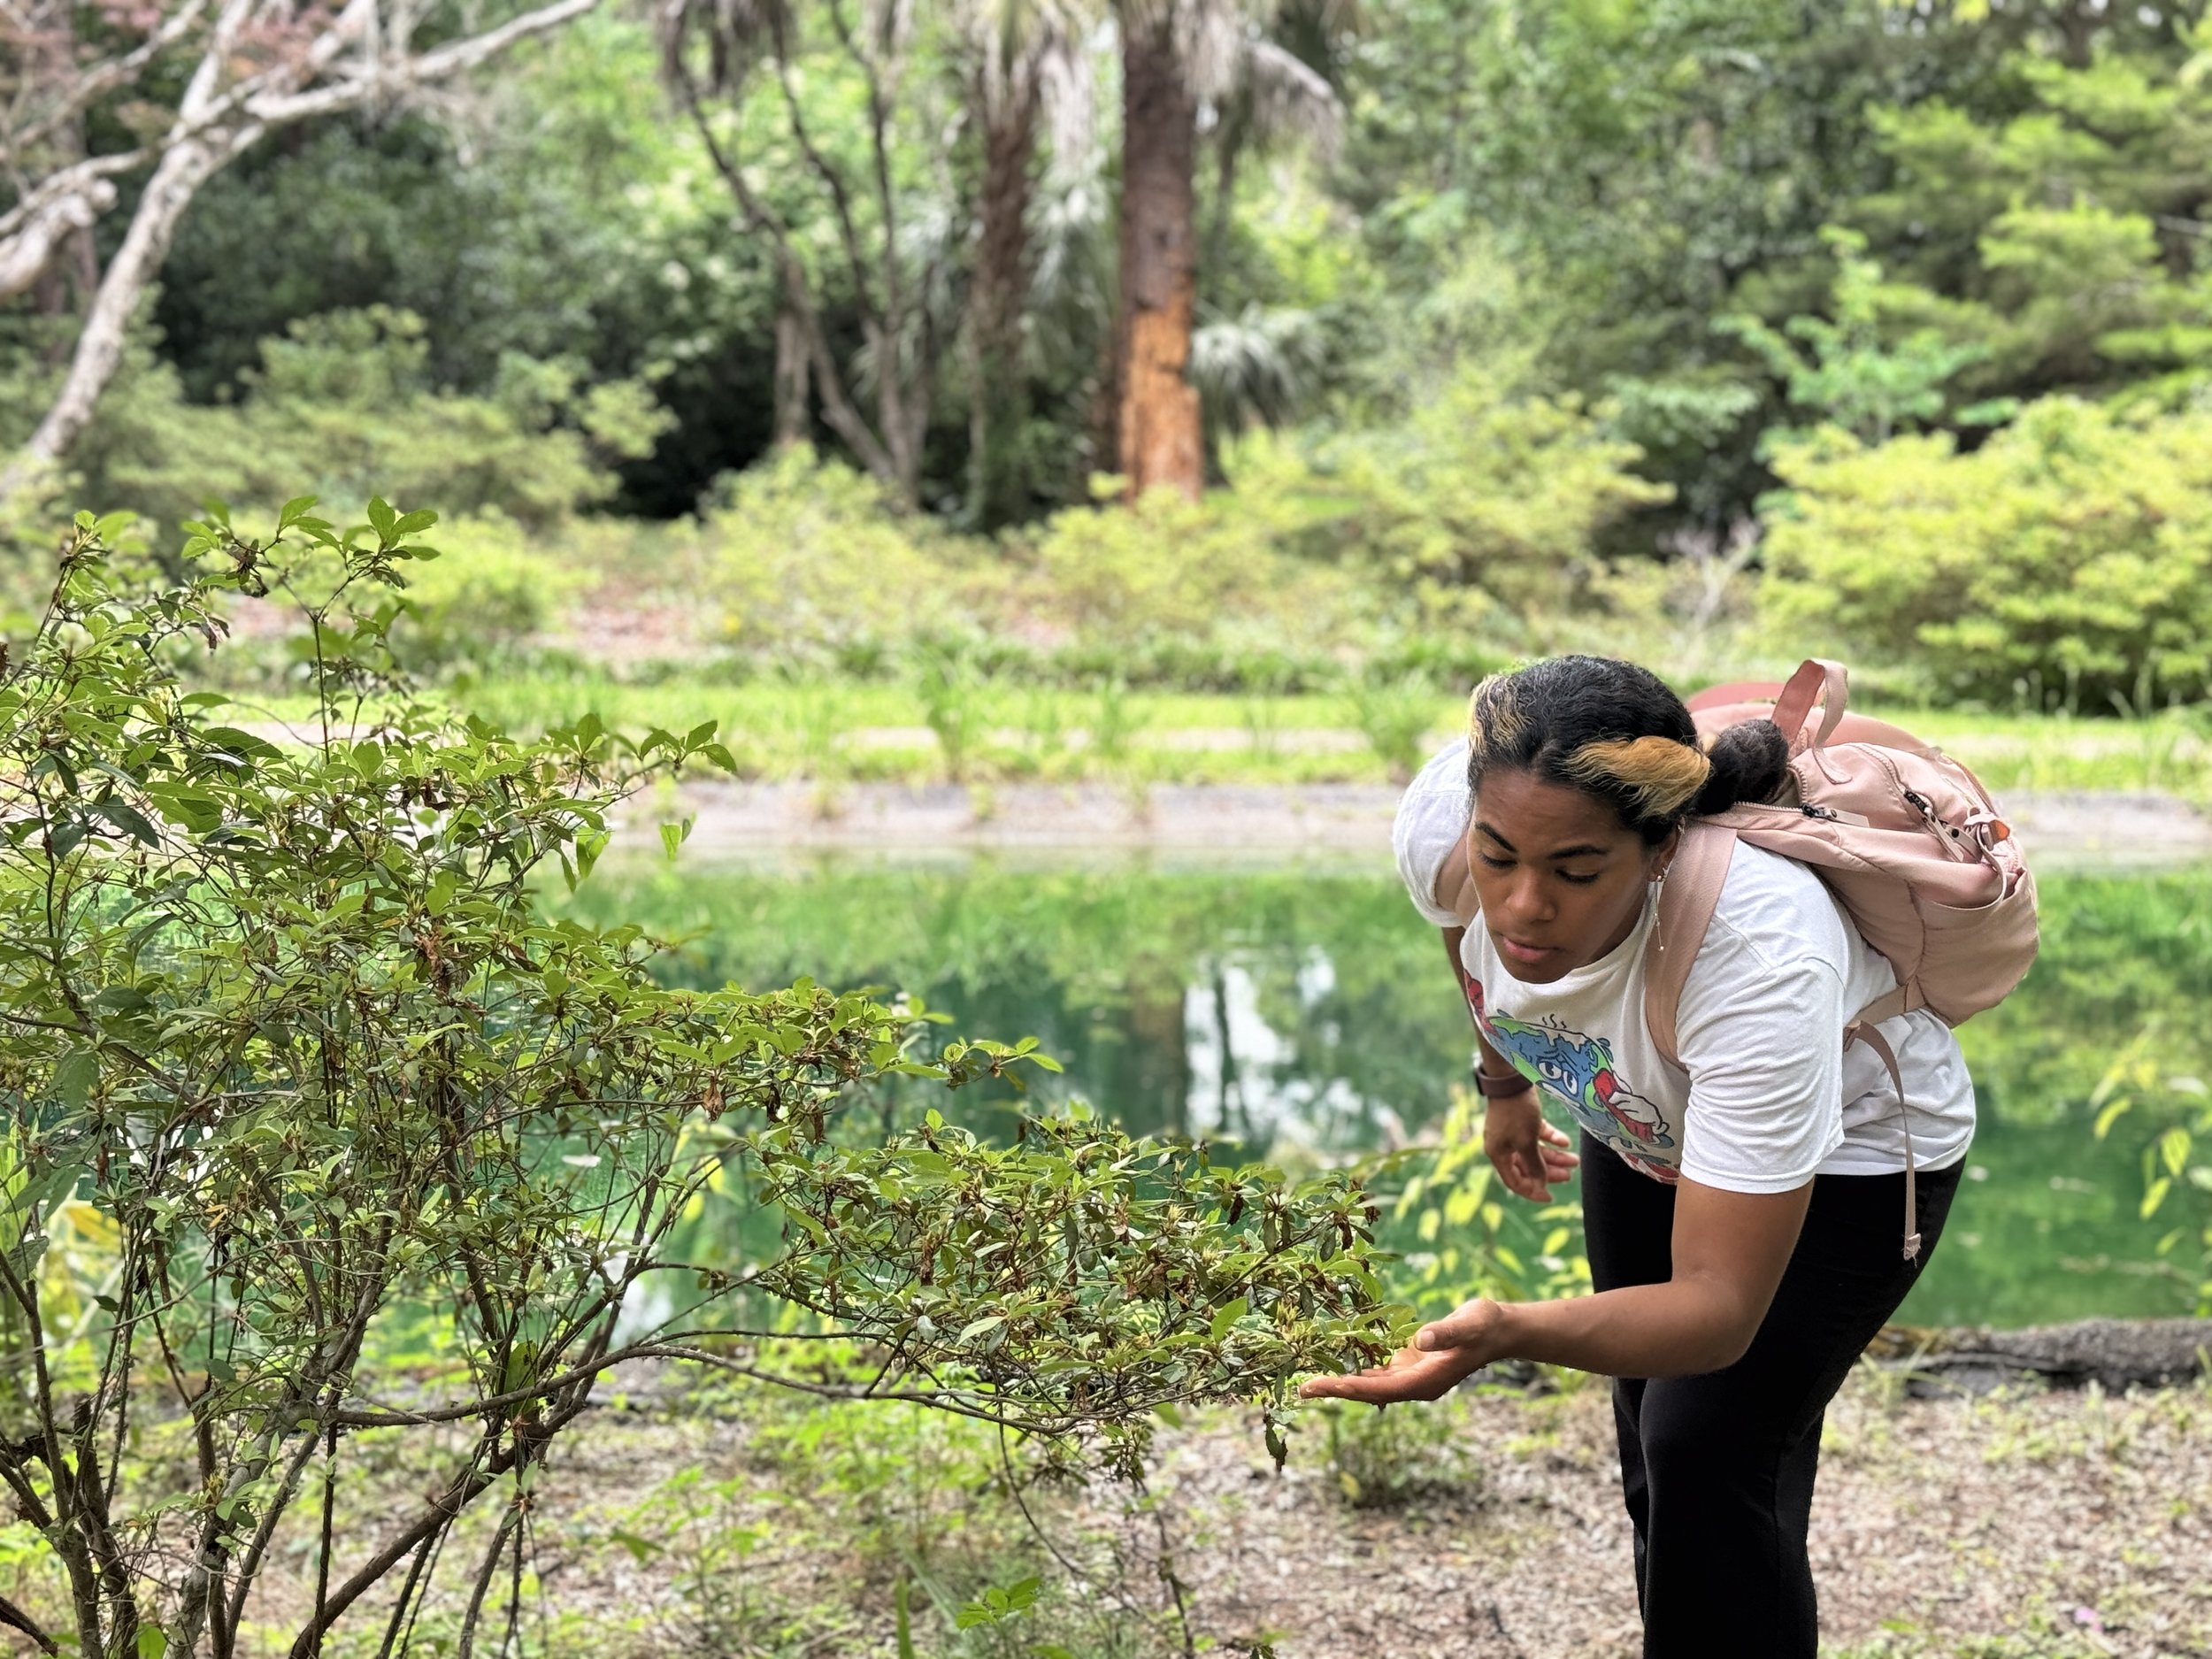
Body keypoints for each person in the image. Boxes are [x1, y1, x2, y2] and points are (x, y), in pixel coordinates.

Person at [1301, 655, 1973, 1657]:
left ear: (1659, 850)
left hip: (1851, 1162)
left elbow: (1713, 1312)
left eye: (1575, 873)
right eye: (1499, 857)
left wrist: (1505, 1331)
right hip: (1636, 1109)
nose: (1523, 907)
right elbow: (1465, 932)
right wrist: (1505, 1084)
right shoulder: (1449, 820)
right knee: (1659, 1447)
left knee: (1703, 1445)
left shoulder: (1758, 955)